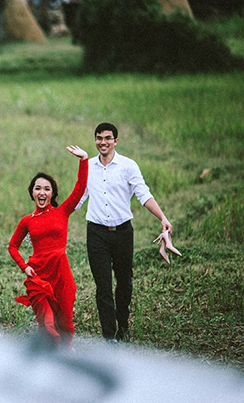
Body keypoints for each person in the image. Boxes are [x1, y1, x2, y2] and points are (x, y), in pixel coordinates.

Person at [75, 122, 172, 342]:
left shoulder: (128, 166)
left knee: (124, 282)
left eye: (108, 138)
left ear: (116, 141)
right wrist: (53, 214)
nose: (103, 142)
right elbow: (79, 197)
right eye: (99, 138)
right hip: (96, 233)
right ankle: (109, 336)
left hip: (122, 233)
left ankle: (123, 325)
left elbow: (143, 194)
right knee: (103, 286)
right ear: (95, 140)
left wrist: (162, 217)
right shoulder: (88, 166)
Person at [8, 145, 88, 348]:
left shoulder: (63, 211)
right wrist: (24, 267)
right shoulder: (27, 220)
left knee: (66, 322)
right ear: (32, 193)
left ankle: (66, 352)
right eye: (38, 188)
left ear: (52, 193)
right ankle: (50, 353)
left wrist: (83, 160)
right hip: (39, 276)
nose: (42, 192)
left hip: (61, 274)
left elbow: (80, 188)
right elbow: (12, 246)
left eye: (46, 188)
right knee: (47, 323)